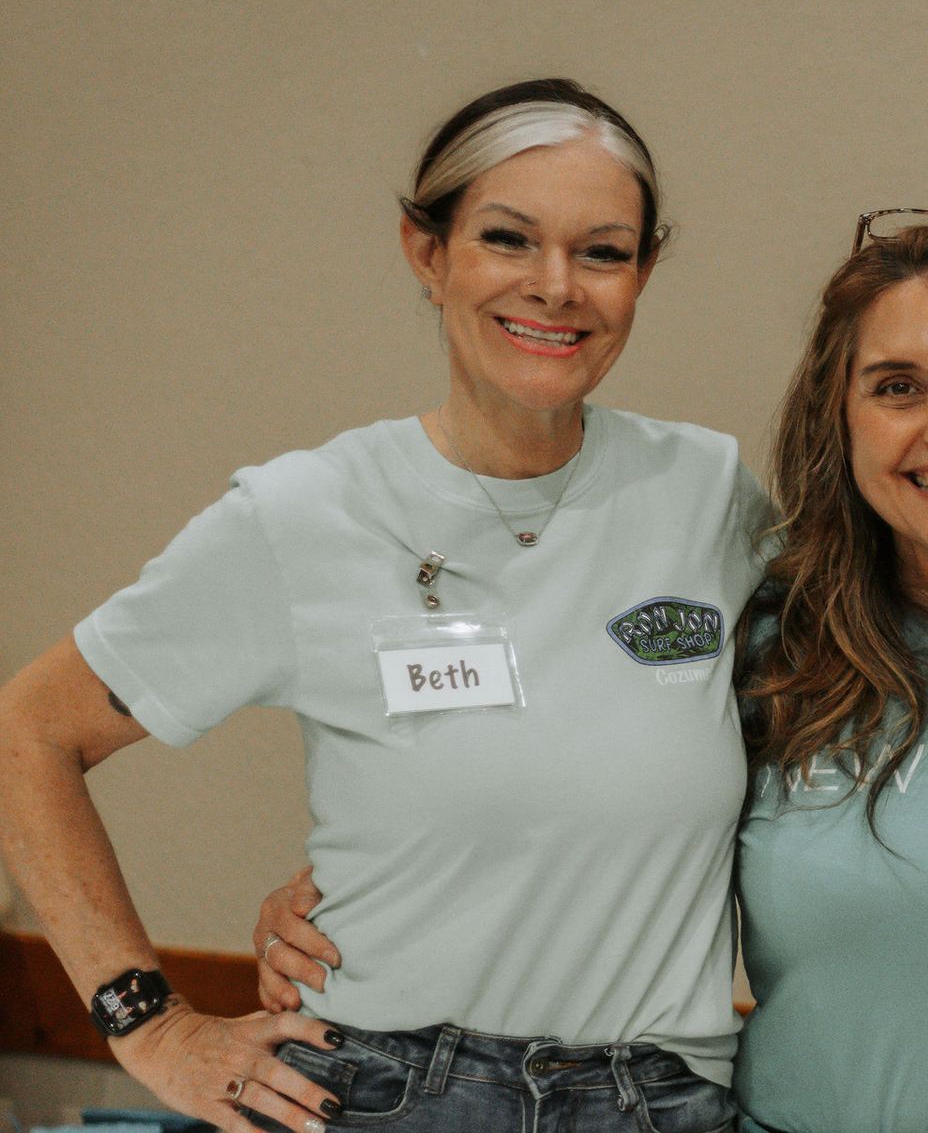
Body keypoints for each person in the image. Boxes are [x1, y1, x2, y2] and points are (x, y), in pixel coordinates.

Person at [260, 212, 928, 1132]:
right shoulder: (764, 637)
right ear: (842, 415)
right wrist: (361, 898)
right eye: (897, 385)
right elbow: (555, 800)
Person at [0, 79, 766, 1133]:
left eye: (603, 251)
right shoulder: (303, 514)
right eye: (508, 238)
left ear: (643, 273)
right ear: (426, 250)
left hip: (664, 1097)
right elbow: (26, 733)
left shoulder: (708, 496)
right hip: (388, 1094)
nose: (557, 287)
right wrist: (152, 1022)